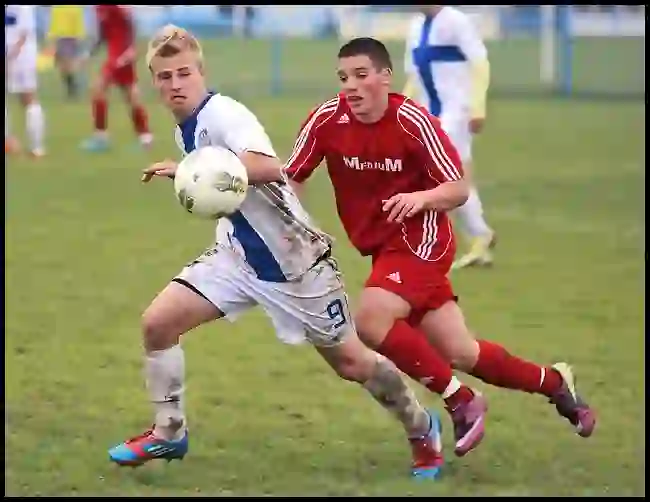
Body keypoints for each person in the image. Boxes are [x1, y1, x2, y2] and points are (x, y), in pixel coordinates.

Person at [107, 25, 450, 479]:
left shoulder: (225, 114)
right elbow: (218, 178)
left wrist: (199, 168)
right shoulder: (185, 129)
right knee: (157, 323)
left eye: (183, 73)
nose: (175, 84)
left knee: (352, 362)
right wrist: (190, 170)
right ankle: (169, 433)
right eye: (165, 76)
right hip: (237, 257)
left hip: (296, 265)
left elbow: (272, 167)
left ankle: (422, 426)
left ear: (201, 73)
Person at [285, 37, 596, 446]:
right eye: (344, 78)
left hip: (422, 240)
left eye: (362, 75)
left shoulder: (413, 121)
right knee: (460, 353)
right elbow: (291, 175)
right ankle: (555, 383)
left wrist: (420, 199)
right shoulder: (327, 119)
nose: (352, 86)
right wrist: (294, 225)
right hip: (382, 248)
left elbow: (457, 187)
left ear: (385, 77)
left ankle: (460, 399)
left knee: (371, 320)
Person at [403, 5, 495, 270]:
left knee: (439, 175)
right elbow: (415, 76)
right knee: (452, 177)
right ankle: (480, 236)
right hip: (432, 114)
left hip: (457, 112)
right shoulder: (415, 27)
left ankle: (433, 242)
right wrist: (401, 110)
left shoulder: (456, 21)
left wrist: (477, 106)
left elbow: (480, 63)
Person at [80, 5, 152, 152]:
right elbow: (103, 33)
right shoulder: (98, 7)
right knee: (130, 93)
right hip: (114, 53)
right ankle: (145, 138)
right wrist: (89, 52)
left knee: (99, 88)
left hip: (122, 53)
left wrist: (132, 49)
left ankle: (101, 136)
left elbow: (132, 24)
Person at [5, 4, 46, 158]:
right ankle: (35, 147)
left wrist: (9, 55)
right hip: (20, 55)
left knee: (28, 99)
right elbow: (24, 32)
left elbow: (23, 34)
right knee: (29, 99)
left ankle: (33, 146)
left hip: (19, 55)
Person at [46, 5, 86, 99]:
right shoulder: (56, 8)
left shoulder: (75, 8)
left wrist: (79, 36)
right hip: (59, 38)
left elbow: (78, 23)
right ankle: (72, 86)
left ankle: (73, 87)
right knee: (62, 66)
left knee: (68, 64)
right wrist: (52, 38)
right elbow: (53, 24)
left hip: (70, 38)